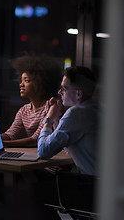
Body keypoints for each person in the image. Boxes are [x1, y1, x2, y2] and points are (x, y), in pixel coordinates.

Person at [32, 66, 100, 219]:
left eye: (64, 88)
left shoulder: (76, 113)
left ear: (78, 93)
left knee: (27, 189)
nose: (59, 92)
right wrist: (57, 120)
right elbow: (69, 146)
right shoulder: (96, 110)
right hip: (103, 188)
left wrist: (48, 119)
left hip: (90, 190)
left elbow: (43, 151)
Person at [0, 53, 61, 148]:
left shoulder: (50, 108)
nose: (21, 84)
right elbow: (10, 134)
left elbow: (35, 140)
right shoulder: (23, 111)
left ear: (41, 83)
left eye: (26, 80)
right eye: (21, 80)